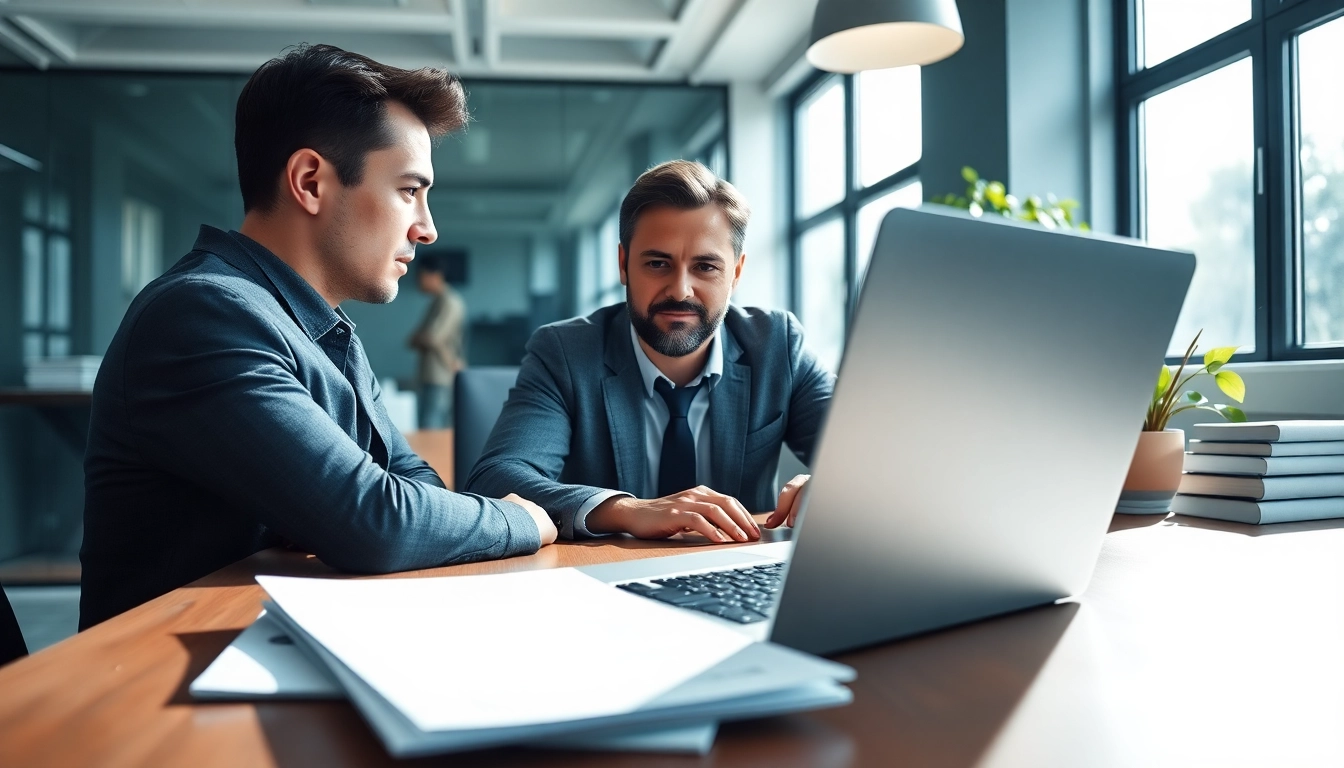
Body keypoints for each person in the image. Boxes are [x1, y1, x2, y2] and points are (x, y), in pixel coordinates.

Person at [80, 44, 555, 630]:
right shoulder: (201, 313)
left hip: (293, 643)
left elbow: (415, 487)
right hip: (170, 683)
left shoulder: (326, 330)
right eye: (409, 190)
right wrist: (523, 520)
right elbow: (378, 522)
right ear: (310, 181)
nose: (428, 228)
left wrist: (352, 515)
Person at [466, 160, 834, 543]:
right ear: (624, 264)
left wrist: (837, 483)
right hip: (608, 580)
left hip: (742, 574)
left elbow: (872, 454)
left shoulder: (778, 345)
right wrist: (628, 511)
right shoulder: (565, 353)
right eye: (658, 264)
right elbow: (497, 479)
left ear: (736, 274)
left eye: (705, 267)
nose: (680, 290)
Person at [407, 253, 465, 429]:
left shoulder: (449, 302)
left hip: (440, 376)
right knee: (428, 425)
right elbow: (414, 340)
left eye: (421, 276)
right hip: (433, 375)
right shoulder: (437, 302)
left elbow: (431, 338)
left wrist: (450, 362)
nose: (419, 281)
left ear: (435, 275)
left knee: (432, 428)